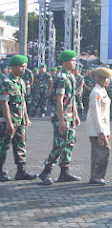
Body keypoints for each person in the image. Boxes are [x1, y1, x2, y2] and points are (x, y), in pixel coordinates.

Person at [39, 50, 81, 185]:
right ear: (65, 62)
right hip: (61, 117)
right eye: (72, 60)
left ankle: (65, 171)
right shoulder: (61, 77)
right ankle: (46, 171)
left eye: (75, 60)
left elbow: (72, 99)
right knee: (59, 144)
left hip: (70, 116)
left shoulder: (71, 76)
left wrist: (75, 115)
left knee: (70, 143)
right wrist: (61, 119)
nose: (75, 63)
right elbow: (59, 100)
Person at [0, 55, 36, 182]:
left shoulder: (21, 82)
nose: (23, 70)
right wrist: (9, 123)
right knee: (3, 146)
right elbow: (4, 103)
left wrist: (26, 118)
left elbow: (22, 101)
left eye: (25, 67)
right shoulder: (6, 82)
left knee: (21, 145)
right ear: (13, 67)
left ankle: (21, 171)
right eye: (21, 67)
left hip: (19, 121)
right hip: (7, 122)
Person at [87, 68, 112, 186]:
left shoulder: (102, 90)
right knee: (104, 151)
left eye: (108, 78)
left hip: (100, 127)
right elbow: (97, 114)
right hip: (96, 128)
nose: (108, 80)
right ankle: (97, 176)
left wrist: (106, 130)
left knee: (97, 152)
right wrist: (101, 132)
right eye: (105, 78)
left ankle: (96, 176)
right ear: (98, 79)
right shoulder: (97, 92)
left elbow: (104, 114)